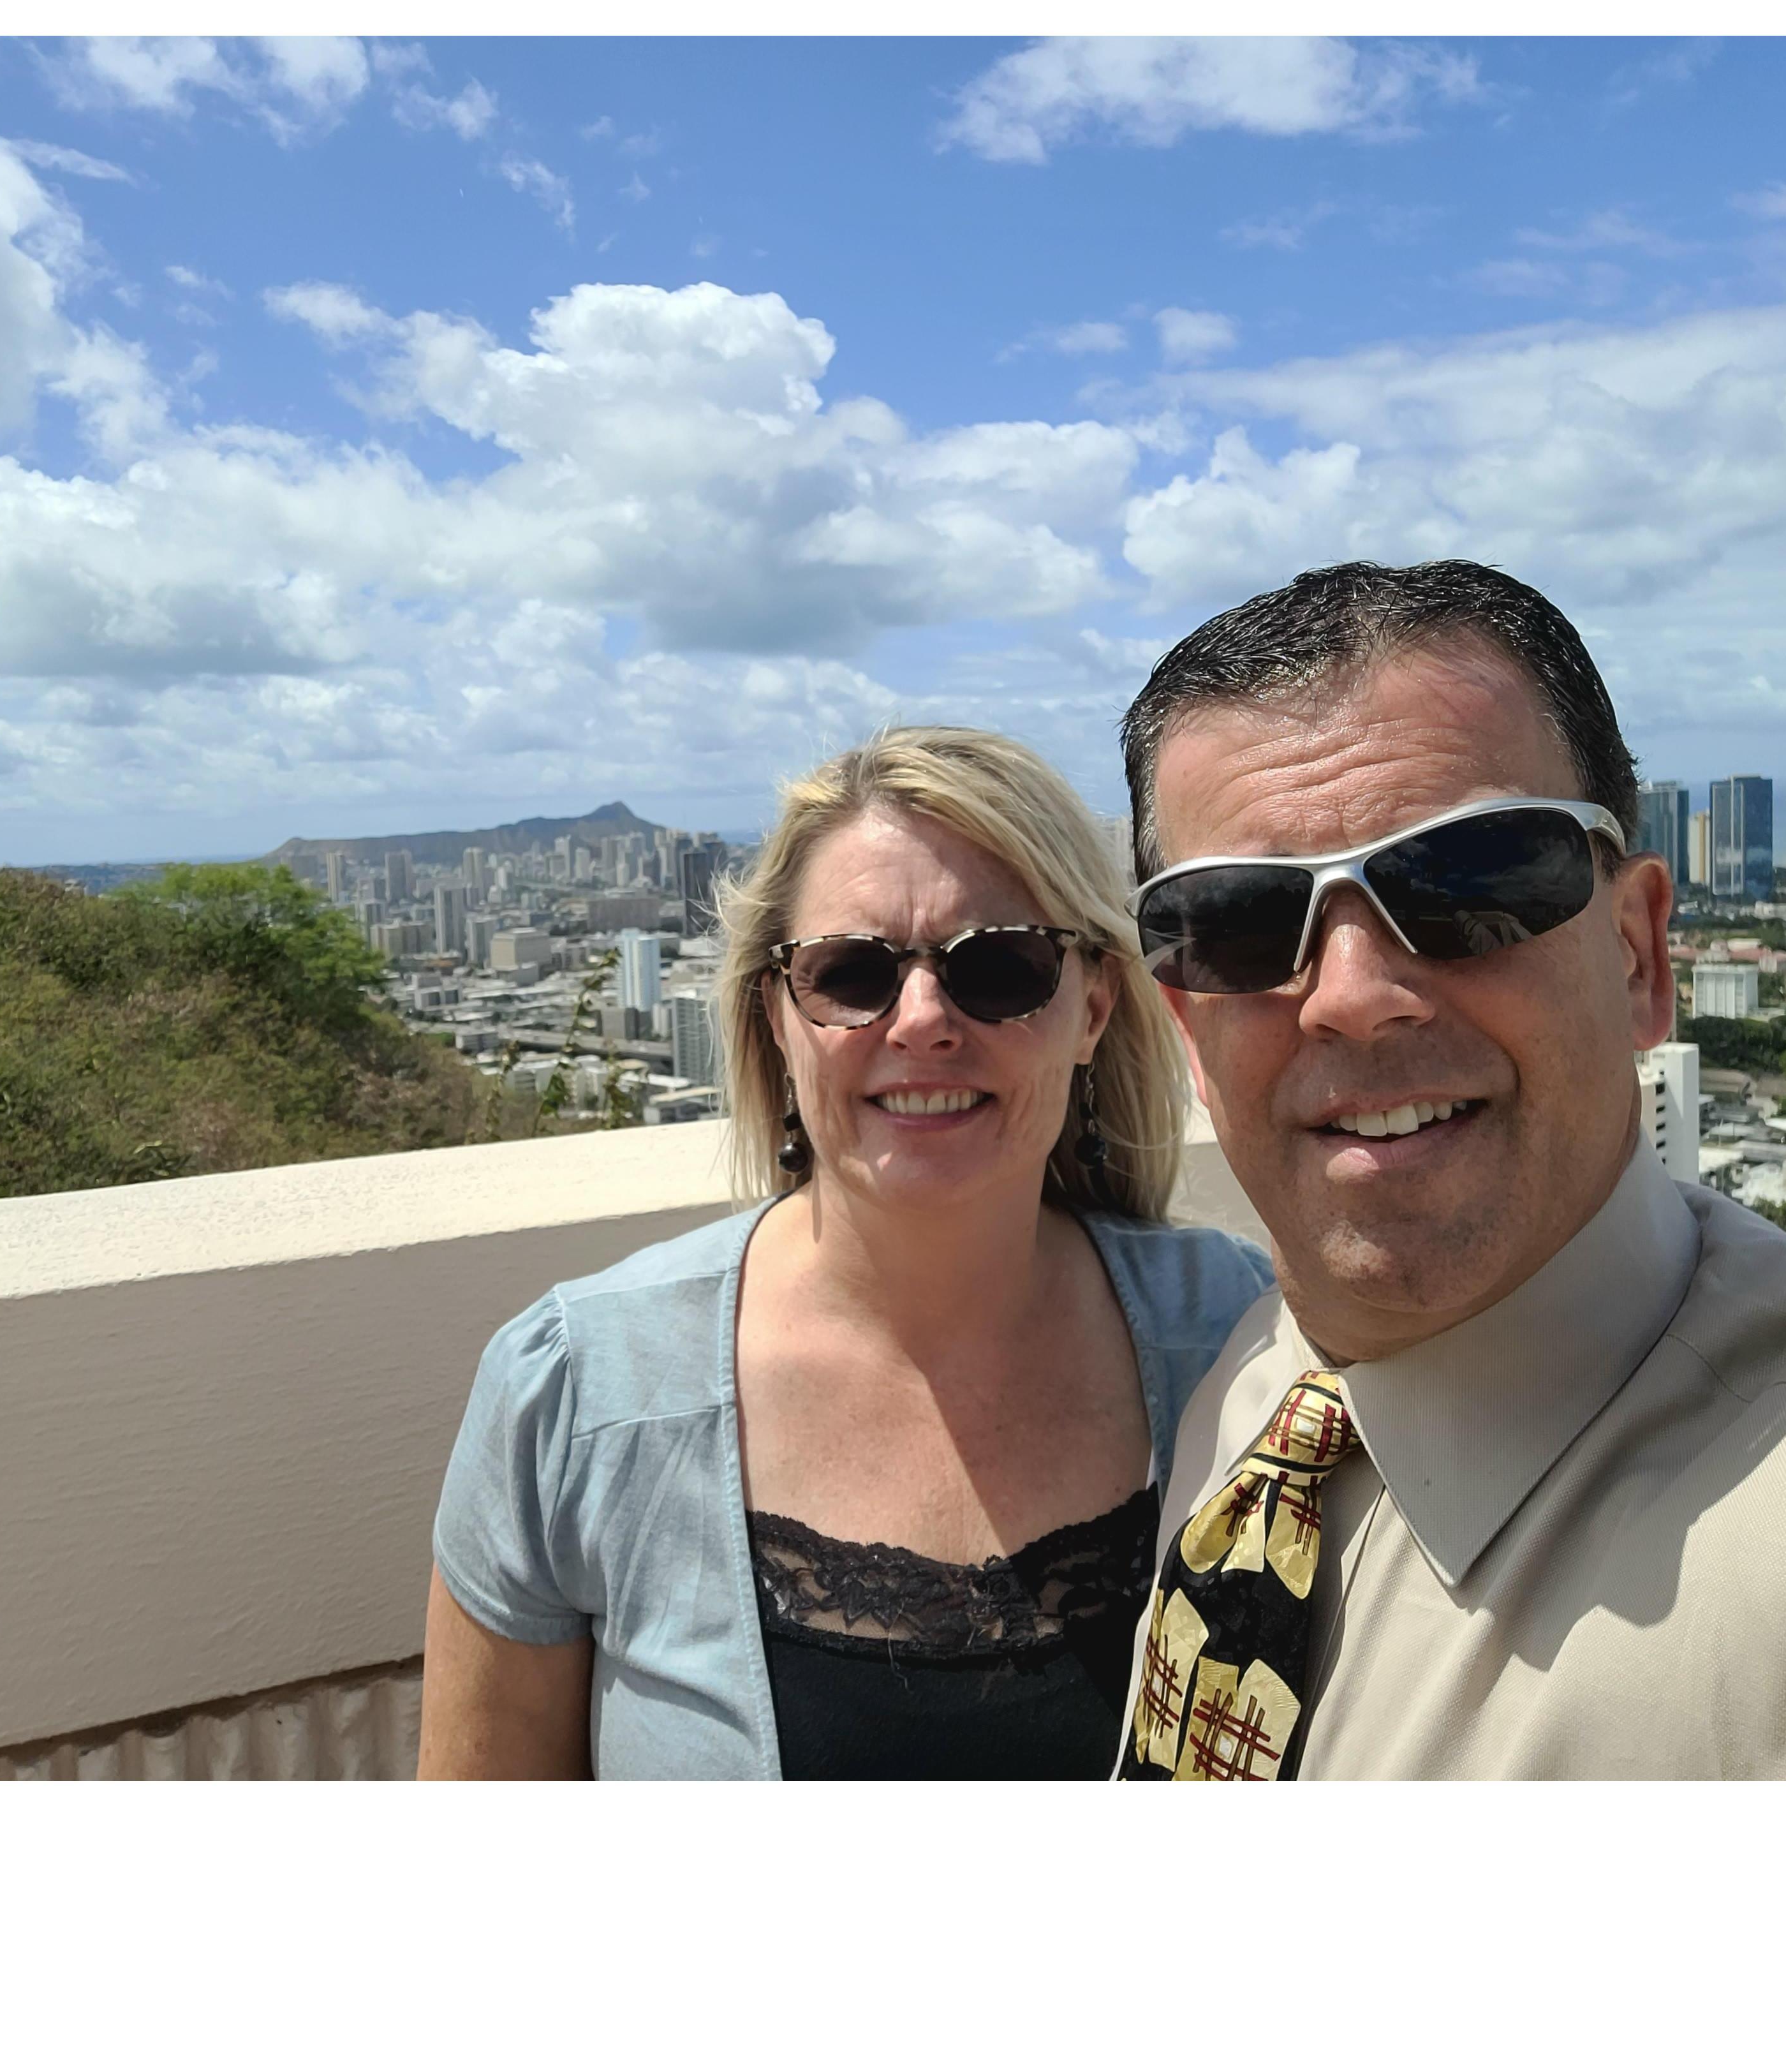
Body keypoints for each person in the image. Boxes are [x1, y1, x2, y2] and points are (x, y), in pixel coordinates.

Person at [1110, 558, 1786, 1780]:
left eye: (1469, 880)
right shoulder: (1248, 1384)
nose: (1353, 996)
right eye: (1238, 923)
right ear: (1188, 1027)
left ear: (1640, 954)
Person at [418, 727, 1274, 1778]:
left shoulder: (1246, 1348)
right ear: (777, 1019)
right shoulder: (575, 1396)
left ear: (1092, 1009)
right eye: (851, 974)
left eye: (1001, 966)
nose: (922, 1021)